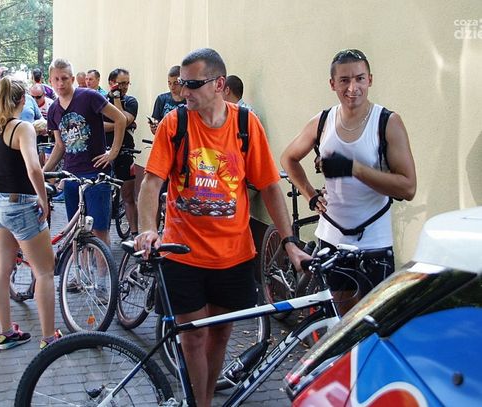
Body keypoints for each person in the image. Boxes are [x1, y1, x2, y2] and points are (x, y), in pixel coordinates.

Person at [134, 48, 308, 407]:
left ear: (219, 84)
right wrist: (148, 229)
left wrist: (290, 240)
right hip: (182, 253)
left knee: (219, 336)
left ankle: (204, 398)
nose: (183, 92)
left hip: (233, 255)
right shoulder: (175, 124)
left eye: (192, 84)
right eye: (181, 83)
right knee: (193, 337)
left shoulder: (245, 125)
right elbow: (151, 183)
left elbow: (269, 186)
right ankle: (200, 402)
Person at [281, 49, 417, 315]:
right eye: (344, 80)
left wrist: (353, 169)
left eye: (359, 79)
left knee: (372, 321)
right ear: (332, 84)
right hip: (332, 238)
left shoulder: (386, 122)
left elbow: (408, 187)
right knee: (340, 321)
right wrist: (310, 194)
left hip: (374, 243)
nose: (352, 88)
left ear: (370, 80)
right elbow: (289, 158)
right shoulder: (323, 121)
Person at [0, 76, 59, 350]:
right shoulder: (23, 128)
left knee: (0, 269)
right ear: (23, 100)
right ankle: (49, 338)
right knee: (44, 271)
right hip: (21, 203)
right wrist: (43, 199)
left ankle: (6, 333)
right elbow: (34, 168)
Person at [43, 58, 127, 302]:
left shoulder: (89, 97)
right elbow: (60, 146)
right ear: (50, 81)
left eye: (65, 78)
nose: (61, 83)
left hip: (95, 174)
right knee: (76, 230)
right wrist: (43, 171)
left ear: (72, 79)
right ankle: (80, 275)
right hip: (71, 175)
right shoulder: (54, 110)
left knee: (99, 229)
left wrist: (112, 153)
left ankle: (102, 282)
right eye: (56, 79)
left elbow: (120, 119)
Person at [104, 68, 139, 237]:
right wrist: (120, 125)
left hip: (125, 151)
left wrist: (117, 98)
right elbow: (98, 126)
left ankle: (134, 233)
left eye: (127, 83)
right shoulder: (102, 101)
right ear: (111, 83)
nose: (124, 87)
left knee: (128, 196)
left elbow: (124, 119)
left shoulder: (131, 101)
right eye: (121, 83)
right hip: (105, 150)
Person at [149, 65, 185, 134]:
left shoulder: (190, 102)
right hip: (164, 138)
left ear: (182, 82)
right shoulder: (161, 99)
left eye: (175, 83)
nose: (172, 87)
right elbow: (156, 128)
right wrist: (154, 127)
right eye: (169, 83)